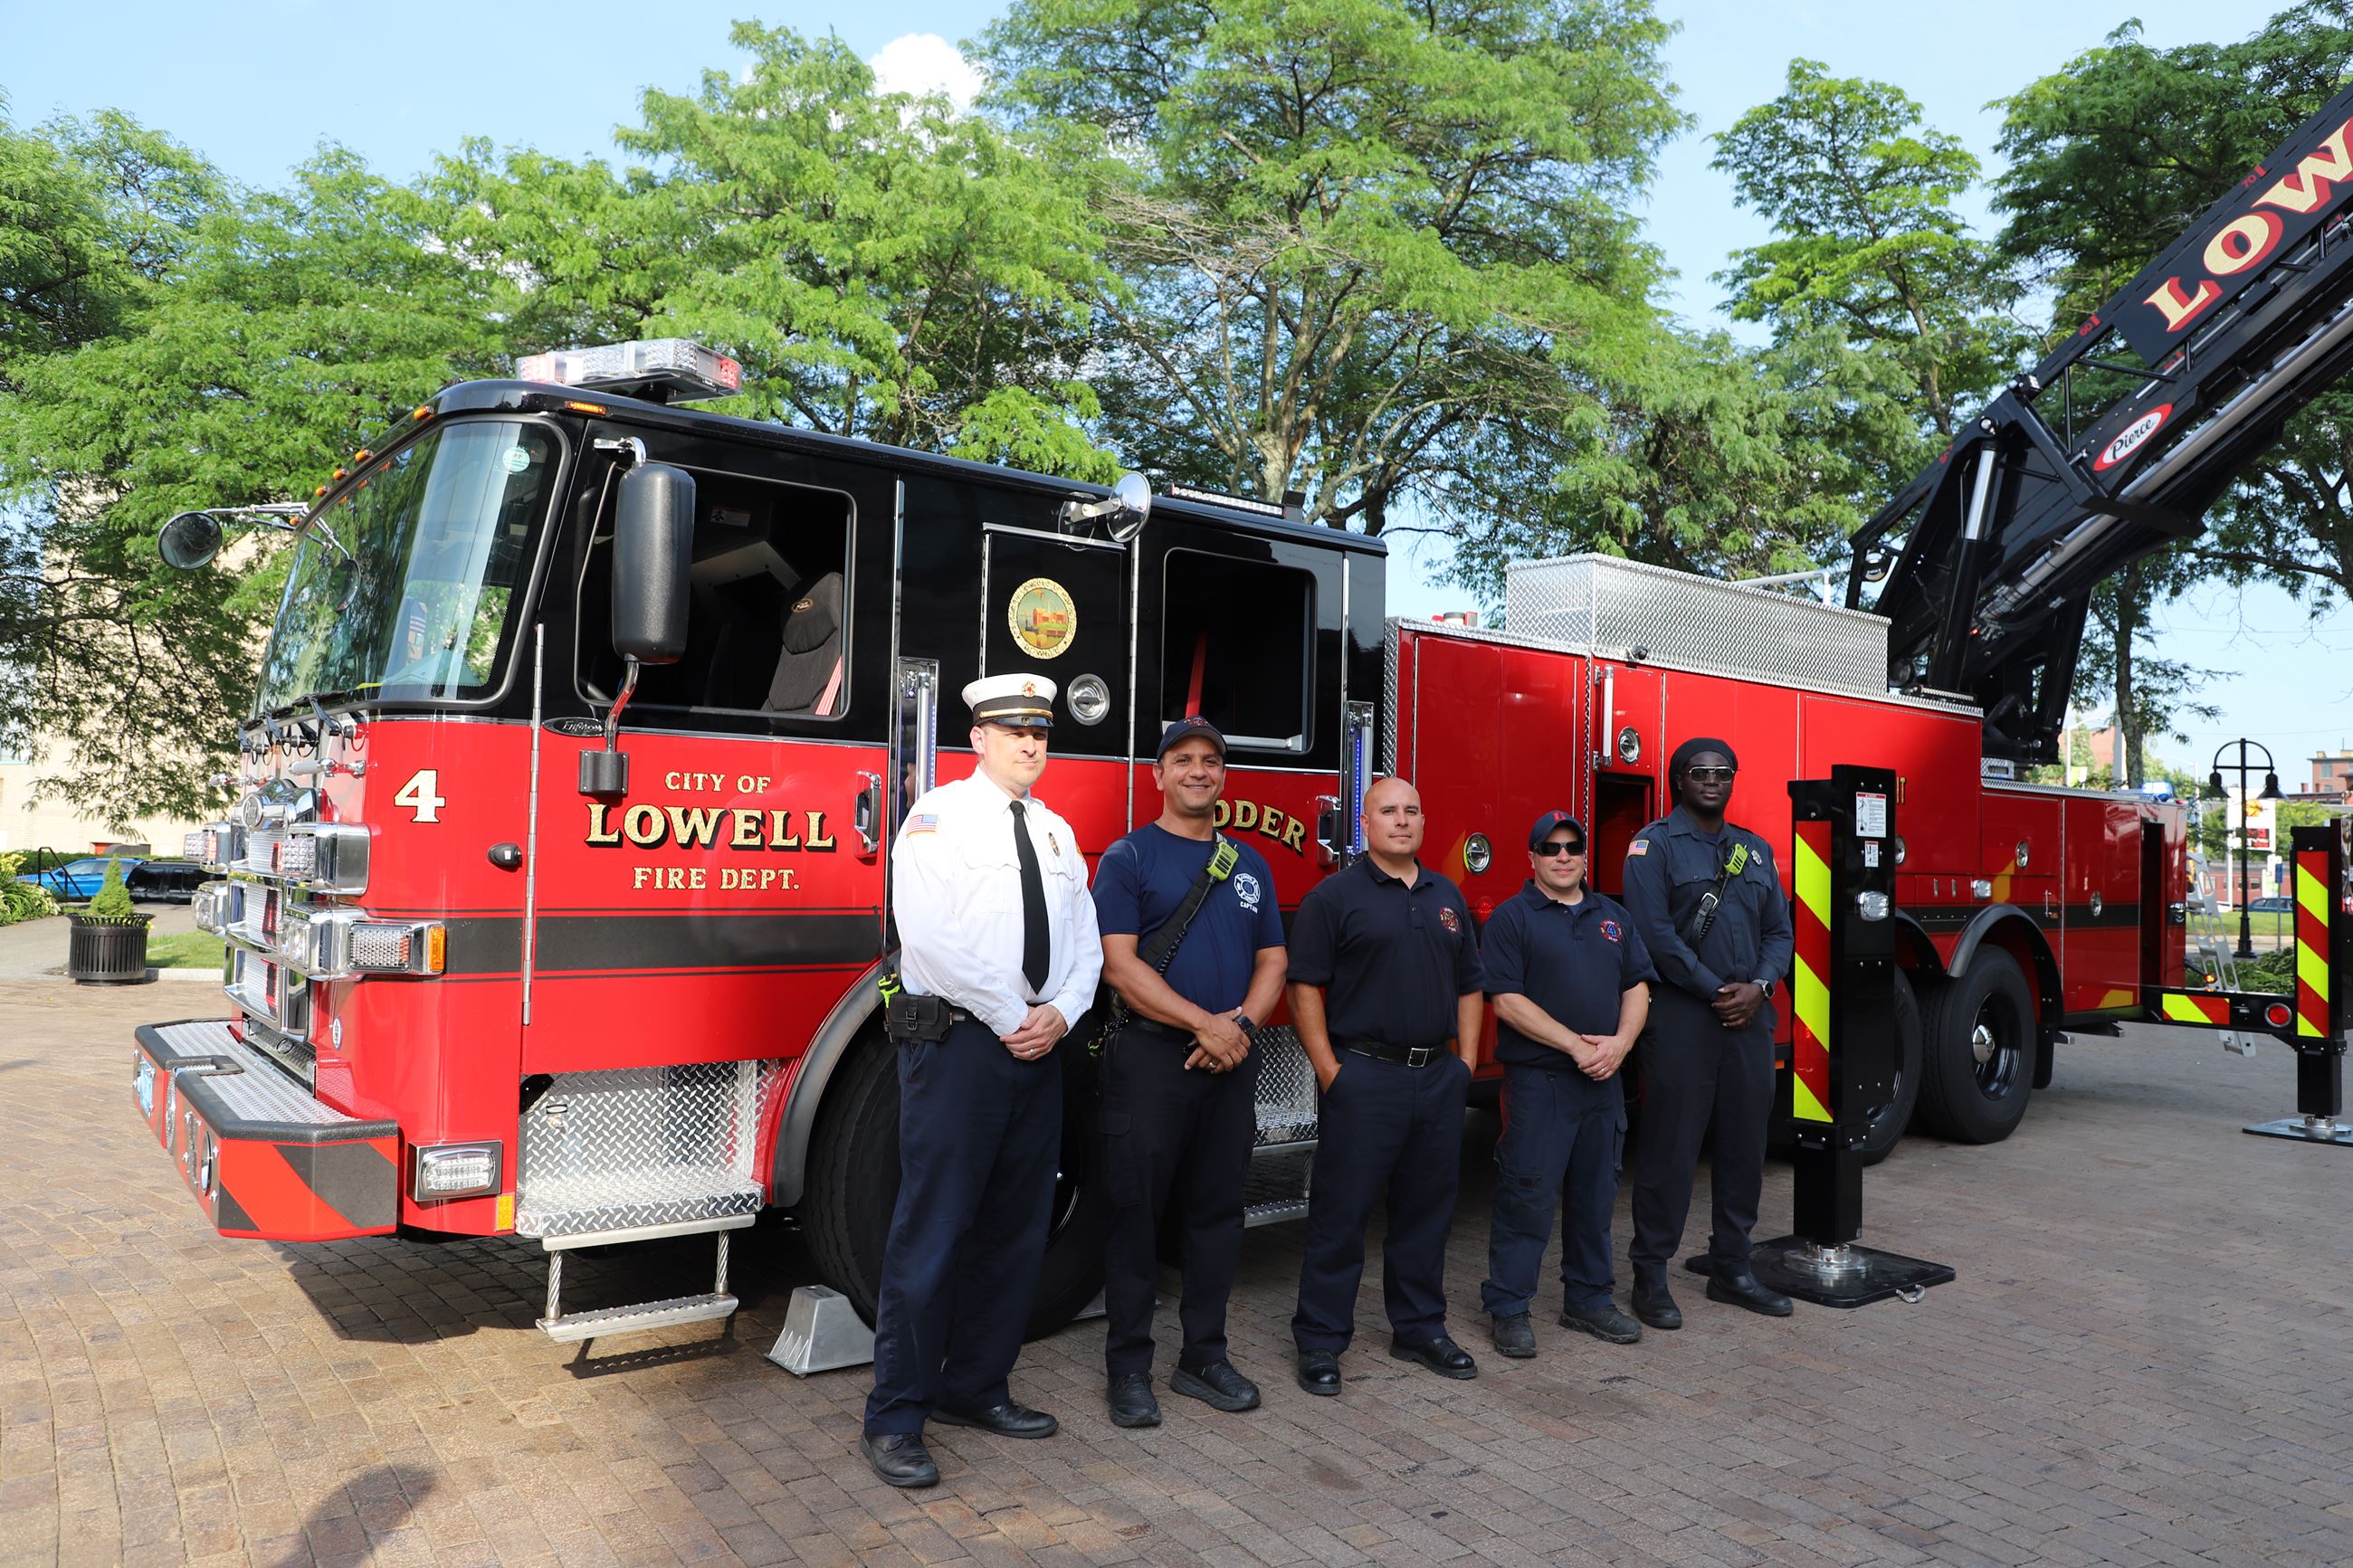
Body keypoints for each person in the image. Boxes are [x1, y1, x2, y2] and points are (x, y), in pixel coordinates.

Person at [860, 673, 1103, 1489]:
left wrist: (1063, 1013)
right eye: (1013, 731)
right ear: (979, 739)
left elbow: (1087, 945)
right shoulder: (937, 817)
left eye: (1040, 731)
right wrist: (1015, 1015)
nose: (1031, 743)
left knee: (1015, 1229)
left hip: (1038, 1047)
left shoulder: (1059, 833)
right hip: (964, 1049)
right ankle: (897, 1415)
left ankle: (975, 1386)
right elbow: (929, 941)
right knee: (931, 1233)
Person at [1090, 716, 1288, 1428]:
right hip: (1150, 1059)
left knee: (1216, 1214)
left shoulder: (1249, 864)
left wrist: (1238, 1027)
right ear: (1159, 775)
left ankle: (1204, 1355)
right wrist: (1203, 1023)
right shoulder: (1129, 857)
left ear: (1223, 777)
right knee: (1136, 1215)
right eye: (1183, 760)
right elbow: (1119, 963)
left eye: (1210, 760)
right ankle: (1130, 1369)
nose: (1198, 770)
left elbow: (1273, 961)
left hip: (1229, 1060)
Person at [1286, 776, 1486, 1396]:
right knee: (1340, 1217)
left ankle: (1420, 1328)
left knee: (1426, 1214)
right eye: (1388, 811)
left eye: (1412, 810)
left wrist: (1465, 1066)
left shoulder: (1446, 895)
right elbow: (1304, 987)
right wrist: (1329, 1071)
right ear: (1364, 825)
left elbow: (1471, 986)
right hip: (1363, 1076)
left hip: (1436, 1077)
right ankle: (1320, 1341)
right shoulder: (1334, 897)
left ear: (1423, 822)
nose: (1402, 820)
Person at [1620, 738, 1796, 1329]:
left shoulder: (1755, 849)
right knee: (1670, 1147)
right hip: (1683, 1018)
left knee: (1747, 1144)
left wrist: (1762, 988)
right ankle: (1650, 1273)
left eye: (1724, 772)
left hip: (1749, 1018)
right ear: (1678, 779)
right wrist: (1716, 989)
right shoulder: (1653, 846)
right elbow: (1654, 936)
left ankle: (1732, 1268)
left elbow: (1780, 933)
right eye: (1701, 772)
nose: (1713, 781)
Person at [1479, 811, 1655, 1358]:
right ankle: (1509, 1307)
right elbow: (1505, 1000)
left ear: (1584, 856)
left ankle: (1589, 1300)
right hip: (1541, 1084)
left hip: (1602, 1084)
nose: (1562, 856)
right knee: (1526, 1195)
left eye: (1572, 848)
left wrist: (1621, 1044)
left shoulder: (1613, 917)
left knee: (1595, 1194)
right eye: (1550, 848)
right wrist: (1578, 1046)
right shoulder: (1512, 919)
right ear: (1531, 858)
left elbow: (1638, 985)